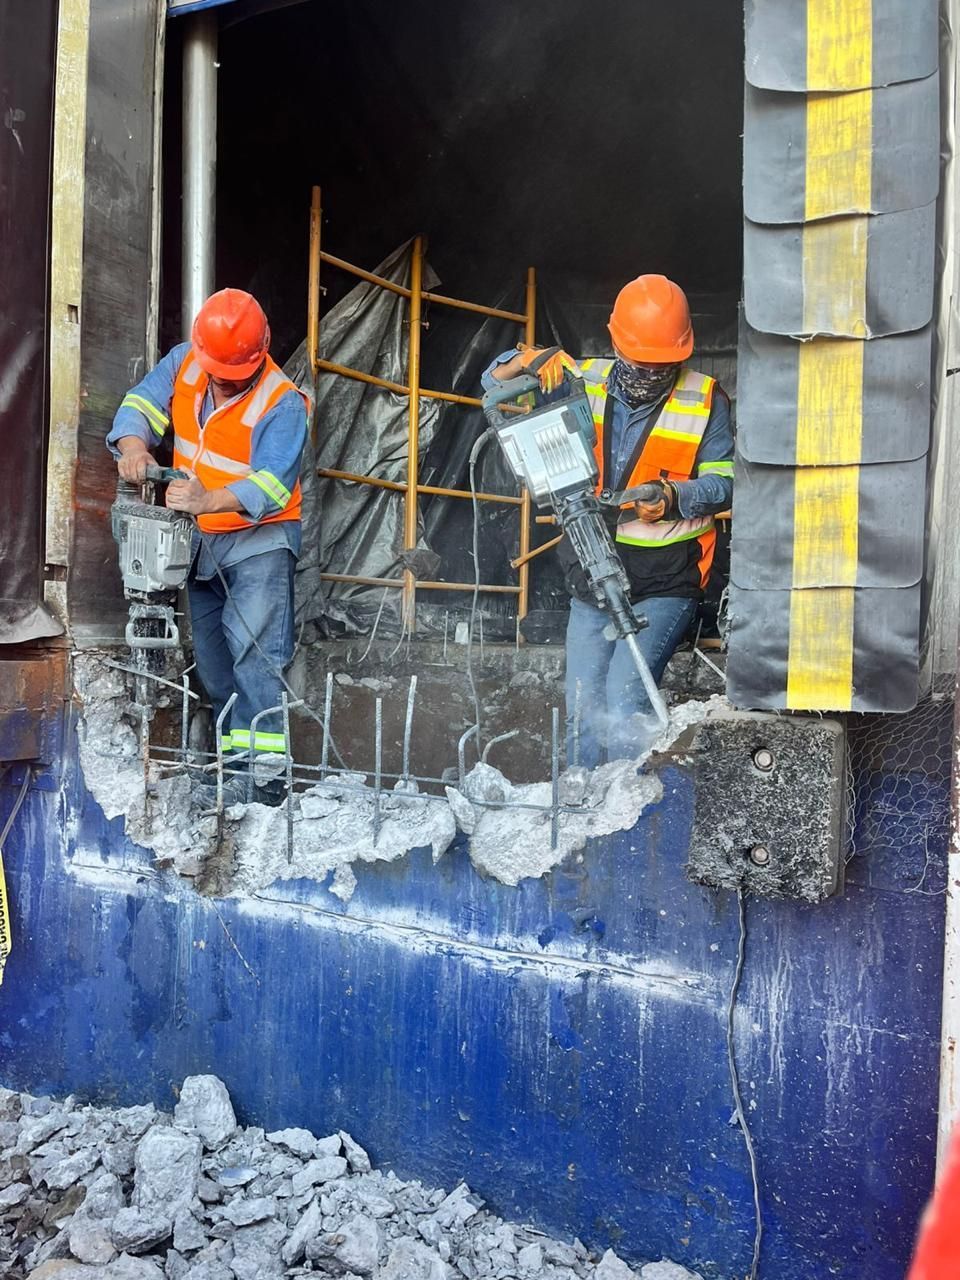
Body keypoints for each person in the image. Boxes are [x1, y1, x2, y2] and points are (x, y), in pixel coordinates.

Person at [482, 274, 733, 768]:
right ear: (617, 343)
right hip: (592, 570)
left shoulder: (706, 398)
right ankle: (579, 810)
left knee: (623, 700)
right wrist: (529, 359)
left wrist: (673, 495)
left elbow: (725, 483)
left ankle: (625, 816)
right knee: (581, 709)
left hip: (666, 579)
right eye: (641, 362)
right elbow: (494, 382)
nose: (650, 373)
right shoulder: (581, 378)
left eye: (663, 365)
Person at [106, 288, 309, 805]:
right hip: (202, 545)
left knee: (255, 659)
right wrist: (133, 446)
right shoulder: (186, 362)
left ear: (257, 355)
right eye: (213, 366)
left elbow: (271, 487)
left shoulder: (283, 402)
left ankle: (266, 783)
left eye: (229, 370)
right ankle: (232, 766)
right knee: (217, 665)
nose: (218, 377)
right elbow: (141, 404)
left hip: (260, 542)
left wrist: (205, 498)